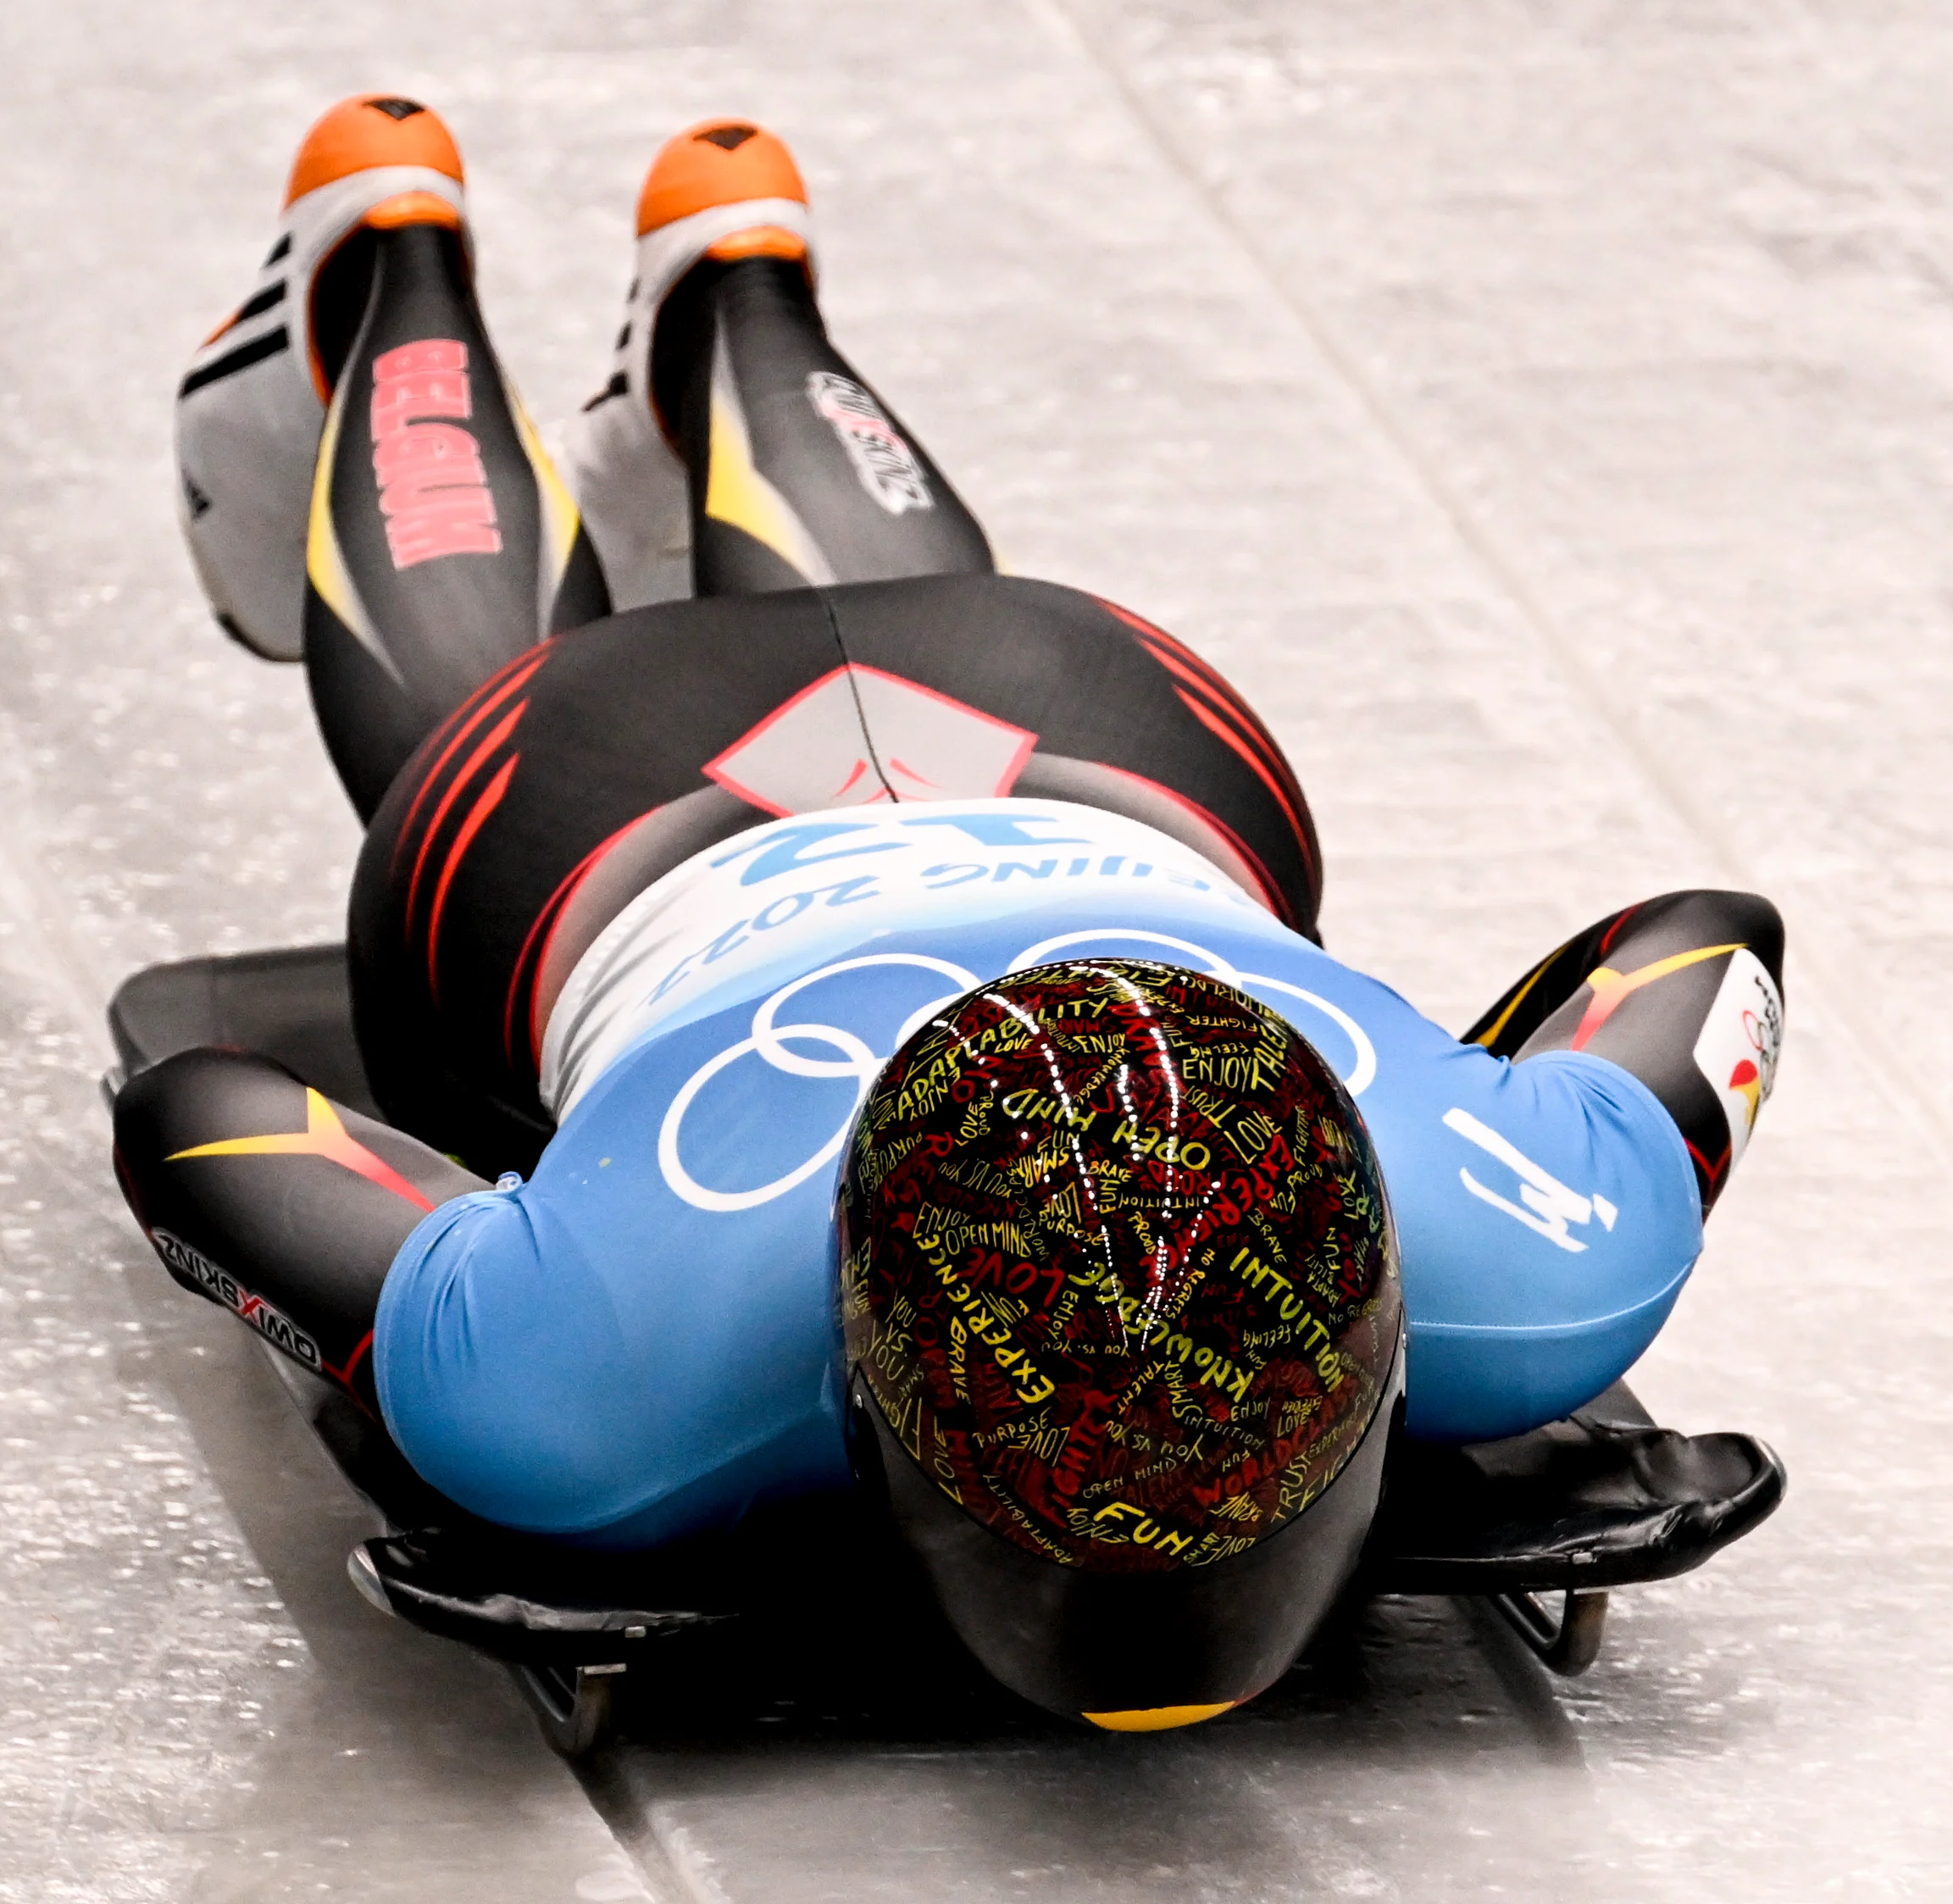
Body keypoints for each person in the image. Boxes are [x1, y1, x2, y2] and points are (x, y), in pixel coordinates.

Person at [114, 97, 1787, 1727]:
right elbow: (1714, 936)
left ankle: (441, 261)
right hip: (1011, 724)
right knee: (484, 739)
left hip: (965, 733)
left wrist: (1459, 1082)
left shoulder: (597, 1374)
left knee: (515, 730)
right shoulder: (586, 1382)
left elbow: (188, 1111)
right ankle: (622, 300)